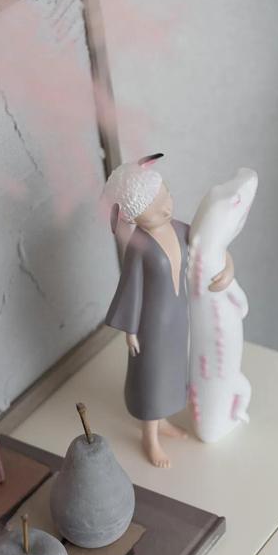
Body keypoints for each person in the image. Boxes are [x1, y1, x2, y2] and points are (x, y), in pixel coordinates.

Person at [105, 155, 234, 467]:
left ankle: (162, 421)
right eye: (155, 206)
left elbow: (210, 245)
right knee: (151, 374)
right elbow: (131, 286)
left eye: (167, 196)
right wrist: (130, 330)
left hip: (177, 318)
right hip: (150, 325)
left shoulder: (178, 229)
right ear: (134, 213)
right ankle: (149, 436)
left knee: (173, 370)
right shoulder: (139, 246)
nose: (166, 207)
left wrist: (228, 267)